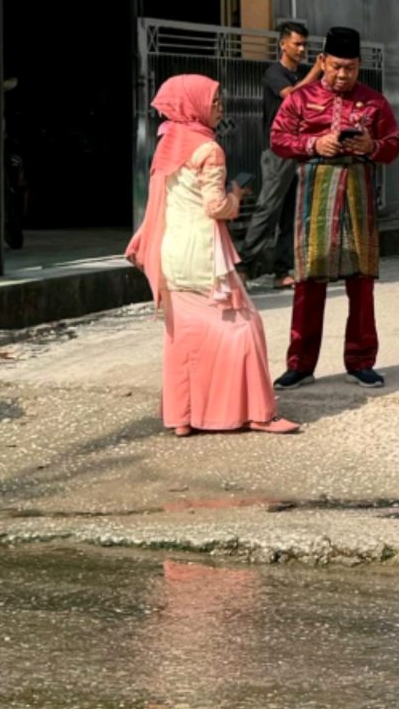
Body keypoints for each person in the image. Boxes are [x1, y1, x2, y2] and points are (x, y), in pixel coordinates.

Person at [124, 75, 299, 438]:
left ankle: (183, 416)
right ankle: (256, 412)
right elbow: (215, 206)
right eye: (215, 101)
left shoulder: (167, 144)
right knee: (245, 328)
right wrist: (236, 194)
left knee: (185, 336)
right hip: (204, 254)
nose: (220, 107)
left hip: (172, 252)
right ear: (194, 105)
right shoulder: (209, 149)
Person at [268, 27, 399, 389]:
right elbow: (278, 138)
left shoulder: (374, 101)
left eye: (352, 68)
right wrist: (314, 143)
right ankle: (300, 364)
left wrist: (371, 145)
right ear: (322, 61)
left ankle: (360, 360)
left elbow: (393, 144)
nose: (343, 76)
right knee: (308, 279)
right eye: (337, 67)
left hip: (358, 191)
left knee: (362, 280)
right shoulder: (299, 98)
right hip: (315, 191)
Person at [238, 21, 321, 286]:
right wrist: (316, 72)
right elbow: (291, 97)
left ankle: (283, 271)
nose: (301, 49)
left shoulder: (304, 74)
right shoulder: (274, 73)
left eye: (304, 44)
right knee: (269, 207)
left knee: (291, 213)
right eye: (297, 43)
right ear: (282, 44)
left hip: (300, 149)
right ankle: (244, 264)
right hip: (278, 150)